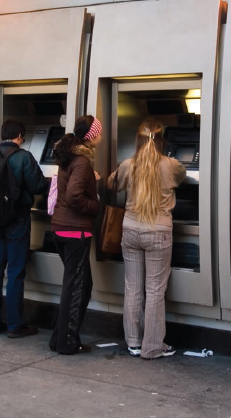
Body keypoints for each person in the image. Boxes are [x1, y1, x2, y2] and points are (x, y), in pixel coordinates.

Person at [108, 118, 186, 360]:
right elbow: (183, 176)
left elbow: (113, 183)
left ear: (138, 140)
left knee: (133, 288)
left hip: (130, 230)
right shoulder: (171, 165)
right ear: (162, 139)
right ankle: (152, 346)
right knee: (154, 290)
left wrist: (121, 168)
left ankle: (133, 341)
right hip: (158, 232)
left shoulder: (129, 165)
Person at [0, 119, 47, 338]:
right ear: (20, 135)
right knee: (15, 271)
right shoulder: (24, 157)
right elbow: (38, 185)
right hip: (17, 220)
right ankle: (15, 325)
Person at [49, 115, 102, 354]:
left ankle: (59, 338)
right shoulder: (81, 161)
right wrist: (95, 207)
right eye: (98, 130)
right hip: (75, 230)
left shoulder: (69, 157)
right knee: (77, 287)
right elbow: (73, 196)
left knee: (79, 284)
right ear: (92, 136)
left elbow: (72, 187)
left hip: (62, 227)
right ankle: (68, 342)